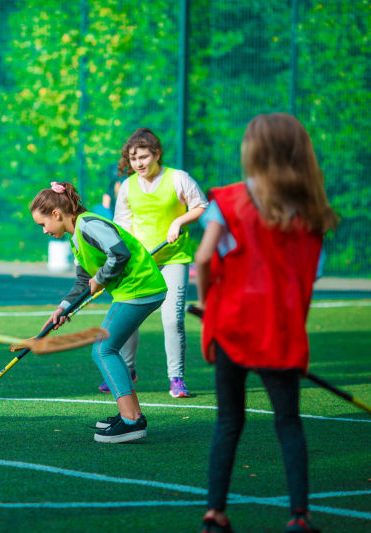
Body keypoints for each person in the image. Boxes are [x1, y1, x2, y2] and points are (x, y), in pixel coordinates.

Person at [195, 113, 338, 533]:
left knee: (228, 421)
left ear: (252, 151)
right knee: (288, 422)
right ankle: (298, 516)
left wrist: (208, 304)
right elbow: (308, 274)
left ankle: (214, 513)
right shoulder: (310, 206)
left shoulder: (230, 199)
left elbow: (204, 258)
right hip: (278, 328)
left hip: (232, 324)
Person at [31, 181, 167, 443]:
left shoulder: (89, 225)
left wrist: (102, 278)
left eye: (43, 224)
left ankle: (131, 421)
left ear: (57, 214)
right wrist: (63, 309)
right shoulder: (76, 238)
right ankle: (132, 415)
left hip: (139, 288)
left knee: (103, 349)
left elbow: (119, 253)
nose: (44, 231)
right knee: (107, 349)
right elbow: (84, 283)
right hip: (135, 290)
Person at [112, 128, 207, 398]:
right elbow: (122, 225)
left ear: (157, 154)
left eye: (144, 156)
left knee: (172, 320)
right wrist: (127, 257)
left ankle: (176, 379)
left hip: (174, 259)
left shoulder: (178, 178)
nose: (139, 163)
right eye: (133, 159)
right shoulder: (128, 186)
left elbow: (201, 205)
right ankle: (127, 370)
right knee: (128, 318)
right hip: (142, 264)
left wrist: (178, 221)